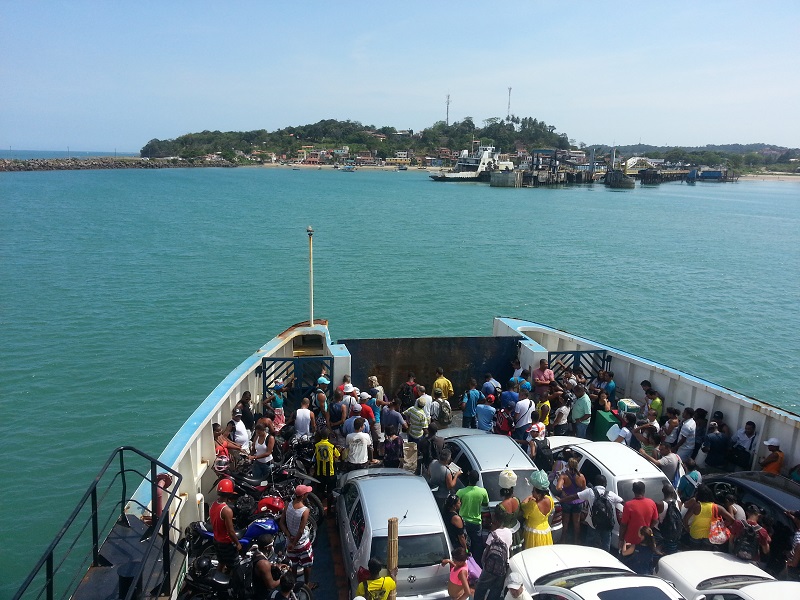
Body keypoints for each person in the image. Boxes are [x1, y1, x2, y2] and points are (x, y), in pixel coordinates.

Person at [561, 474, 624, 553]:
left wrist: (561, 500)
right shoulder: (611, 494)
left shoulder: (590, 492)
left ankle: (589, 556)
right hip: (607, 525)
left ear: (595, 483)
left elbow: (574, 497)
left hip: (593, 524)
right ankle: (605, 558)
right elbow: (622, 501)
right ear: (605, 484)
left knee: (590, 543)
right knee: (606, 544)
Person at [280, 485, 315, 589]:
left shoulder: (288, 505)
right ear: (303, 495)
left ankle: (293, 584)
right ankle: (307, 584)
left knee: (293, 564)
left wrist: (289, 536)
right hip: (301, 543)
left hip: (289, 541)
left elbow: (281, 523)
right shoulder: (305, 510)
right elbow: (300, 531)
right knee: (307, 563)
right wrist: (294, 543)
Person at [683, 484, 734, 551]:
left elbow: (685, 519)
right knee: (706, 555)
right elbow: (732, 520)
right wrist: (723, 525)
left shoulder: (696, 506)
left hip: (695, 534)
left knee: (694, 554)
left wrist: (687, 528)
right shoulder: (717, 507)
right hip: (710, 536)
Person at [457, 470, 489, 564]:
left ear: (468, 478)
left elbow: (456, 504)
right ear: (477, 480)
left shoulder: (461, 492)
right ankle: (477, 564)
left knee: (464, 543)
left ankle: (465, 561)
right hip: (476, 523)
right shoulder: (482, 492)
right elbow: (485, 504)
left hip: (463, 522)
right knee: (477, 545)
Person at [619, 481, 659, 554]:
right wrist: (647, 529)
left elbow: (623, 524)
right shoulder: (651, 503)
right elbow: (655, 520)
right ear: (644, 490)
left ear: (633, 491)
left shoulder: (628, 505)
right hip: (646, 541)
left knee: (629, 562)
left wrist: (621, 539)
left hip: (631, 541)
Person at [210, 478, 241, 572]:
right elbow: (231, 532)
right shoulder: (227, 510)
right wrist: (237, 544)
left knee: (221, 562)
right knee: (235, 566)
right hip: (226, 543)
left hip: (216, 540)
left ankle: (217, 578)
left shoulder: (213, 504)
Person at [556, 458, 586, 544]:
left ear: (568, 466)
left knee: (565, 523)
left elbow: (558, 487)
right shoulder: (581, 477)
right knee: (576, 523)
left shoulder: (564, 476)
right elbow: (583, 489)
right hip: (577, 502)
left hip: (566, 502)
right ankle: (576, 540)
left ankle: (563, 540)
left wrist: (563, 492)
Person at [521, 470, 554, 548]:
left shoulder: (532, 505)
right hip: (546, 533)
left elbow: (522, 505)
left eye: (533, 491)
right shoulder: (550, 499)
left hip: (533, 535)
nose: (532, 493)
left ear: (539, 494)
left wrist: (529, 497)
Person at [313, 427, 339, 515]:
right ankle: (328, 511)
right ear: (329, 436)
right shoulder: (331, 446)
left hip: (320, 472)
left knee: (320, 491)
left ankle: (318, 509)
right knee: (330, 492)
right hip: (330, 473)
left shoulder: (317, 445)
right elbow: (337, 455)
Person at [252, 534, 285, 599]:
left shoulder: (256, 552)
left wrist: (275, 566)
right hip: (261, 594)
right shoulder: (263, 563)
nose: (273, 546)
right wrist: (282, 578)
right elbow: (271, 585)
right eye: (271, 545)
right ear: (267, 547)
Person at [495, 470, 522, 551]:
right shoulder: (517, 500)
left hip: (505, 536)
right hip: (517, 533)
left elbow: (497, 523)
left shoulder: (500, 507)